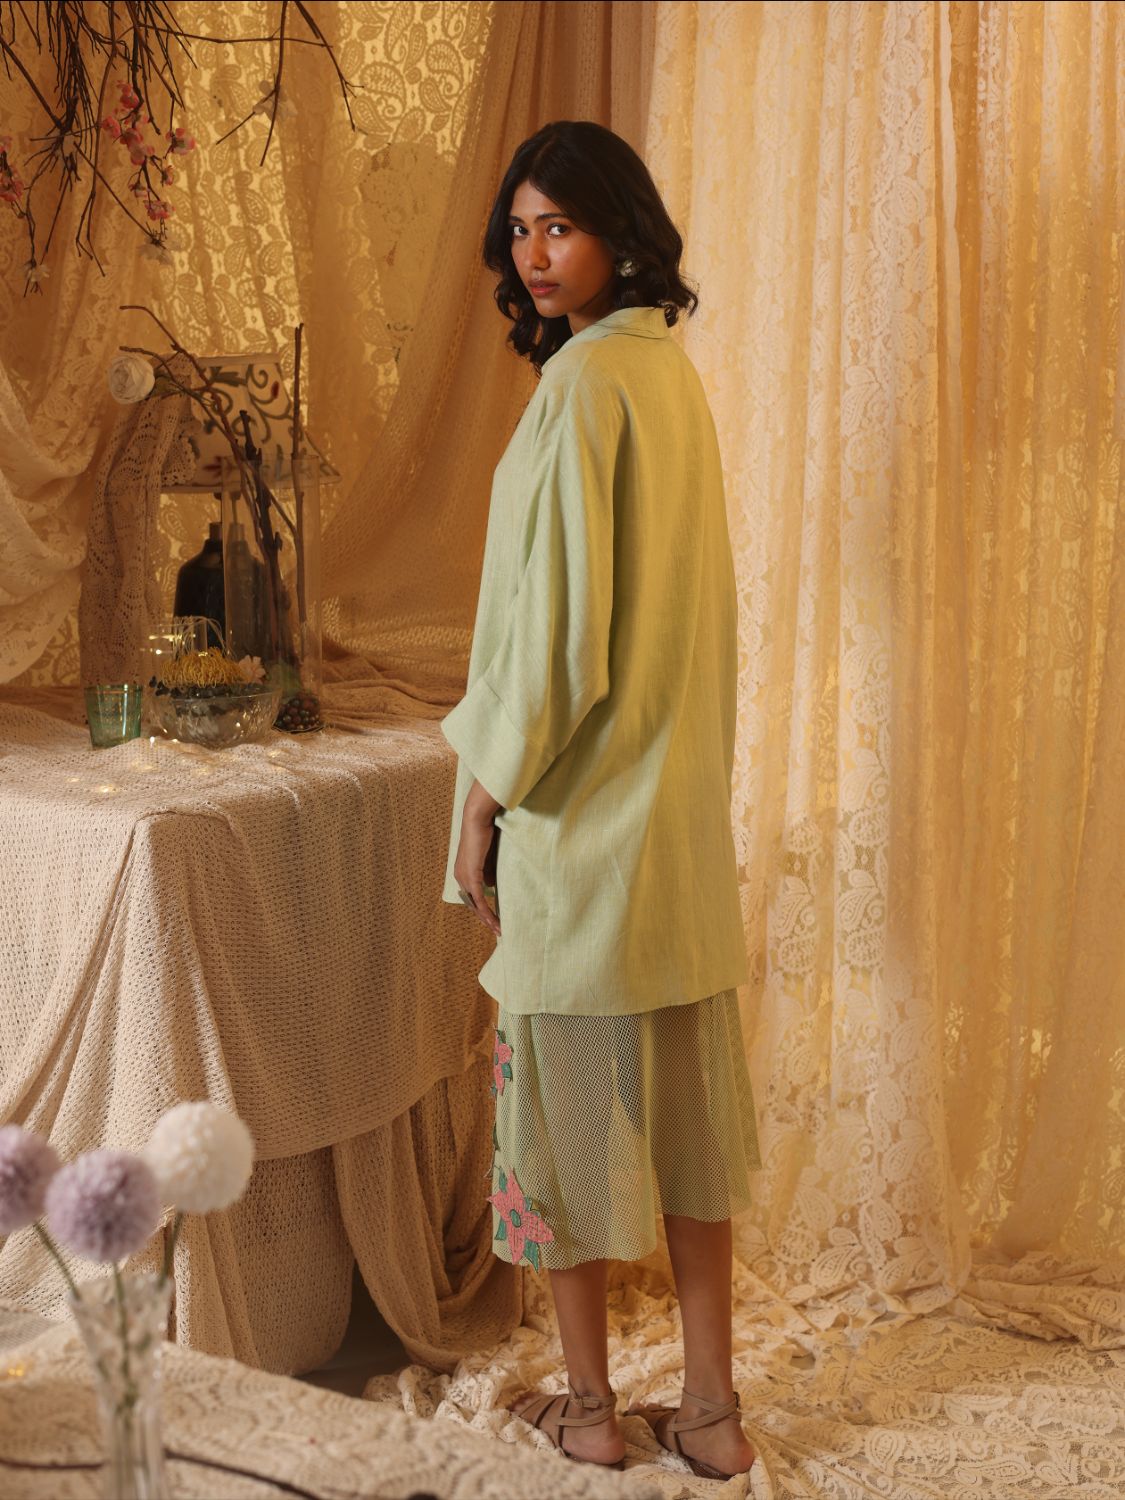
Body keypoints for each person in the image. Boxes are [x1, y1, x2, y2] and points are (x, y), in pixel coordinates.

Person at [439, 119, 761, 1480]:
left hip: (579, 832)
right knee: (691, 1143)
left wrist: (484, 798)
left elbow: (556, 648)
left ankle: (588, 1408)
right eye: (520, 231)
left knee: (558, 1148)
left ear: (620, 235)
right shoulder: (666, 377)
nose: (534, 253)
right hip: (673, 839)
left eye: (558, 226)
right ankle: (711, 1411)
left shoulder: (582, 391)